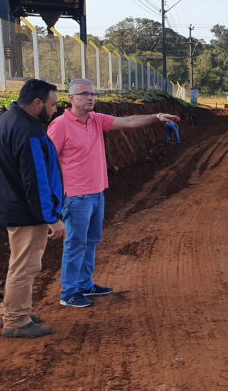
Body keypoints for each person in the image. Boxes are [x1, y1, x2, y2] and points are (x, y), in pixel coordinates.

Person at [48, 79, 180, 308]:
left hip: (97, 193)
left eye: (92, 94)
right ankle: (68, 291)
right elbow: (47, 160)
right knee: (75, 243)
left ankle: (84, 284)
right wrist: (53, 200)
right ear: (70, 98)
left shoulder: (97, 120)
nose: (90, 98)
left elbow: (129, 121)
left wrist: (156, 116)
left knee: (91, 241)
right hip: (76, 197)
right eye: (84, 94)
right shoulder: (60, 125)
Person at [0, 80, 65, 338]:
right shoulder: (29, 132)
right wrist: (51, 218)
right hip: (27, 212)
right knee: (26, 267)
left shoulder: (7, 119)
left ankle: (11, 310)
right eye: (52, 105)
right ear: (37, 103)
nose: (55, 110)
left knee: (19, 263)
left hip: (12, 206)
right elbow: (37, 181)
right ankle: (16, 321)